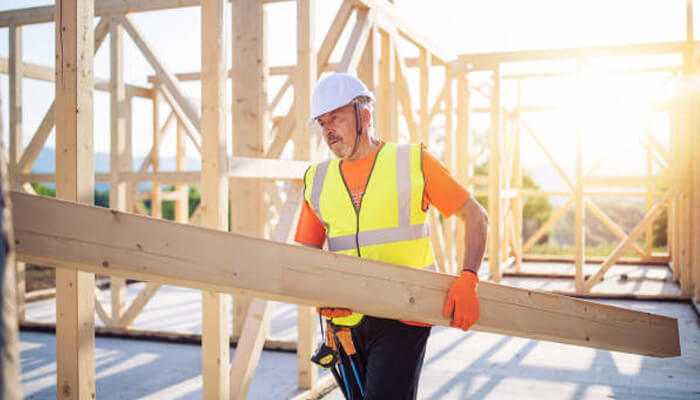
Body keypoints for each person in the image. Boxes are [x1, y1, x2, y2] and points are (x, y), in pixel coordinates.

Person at [295, 72, 488, 400]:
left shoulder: (412, 161)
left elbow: (475, 216)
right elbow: (304, 254)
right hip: (345, 322)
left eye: (336, 118)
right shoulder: (317, 179)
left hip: (404, 315)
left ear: (364, 116)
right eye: (322, 122)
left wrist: (468, 277)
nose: (328, 130)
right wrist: (320, 294)